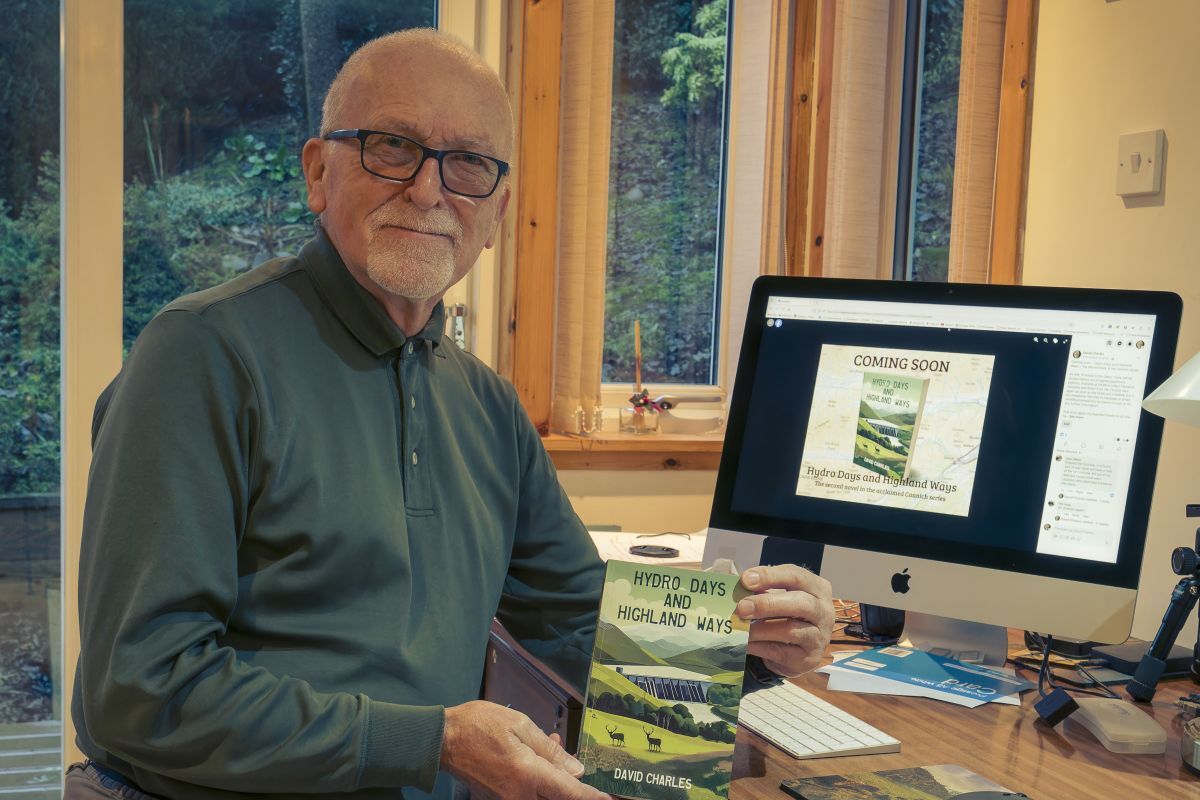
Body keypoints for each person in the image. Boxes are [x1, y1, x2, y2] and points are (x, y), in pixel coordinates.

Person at [68, 28, 834, 800]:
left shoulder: (487, 407)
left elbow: (579, 625)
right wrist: (434, 741)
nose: (429, 190)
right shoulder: (203, 354)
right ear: (317, 172)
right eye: (391, 147)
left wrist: (749, 643)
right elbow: (140, 690)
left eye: (468, 163)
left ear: (497, 213)